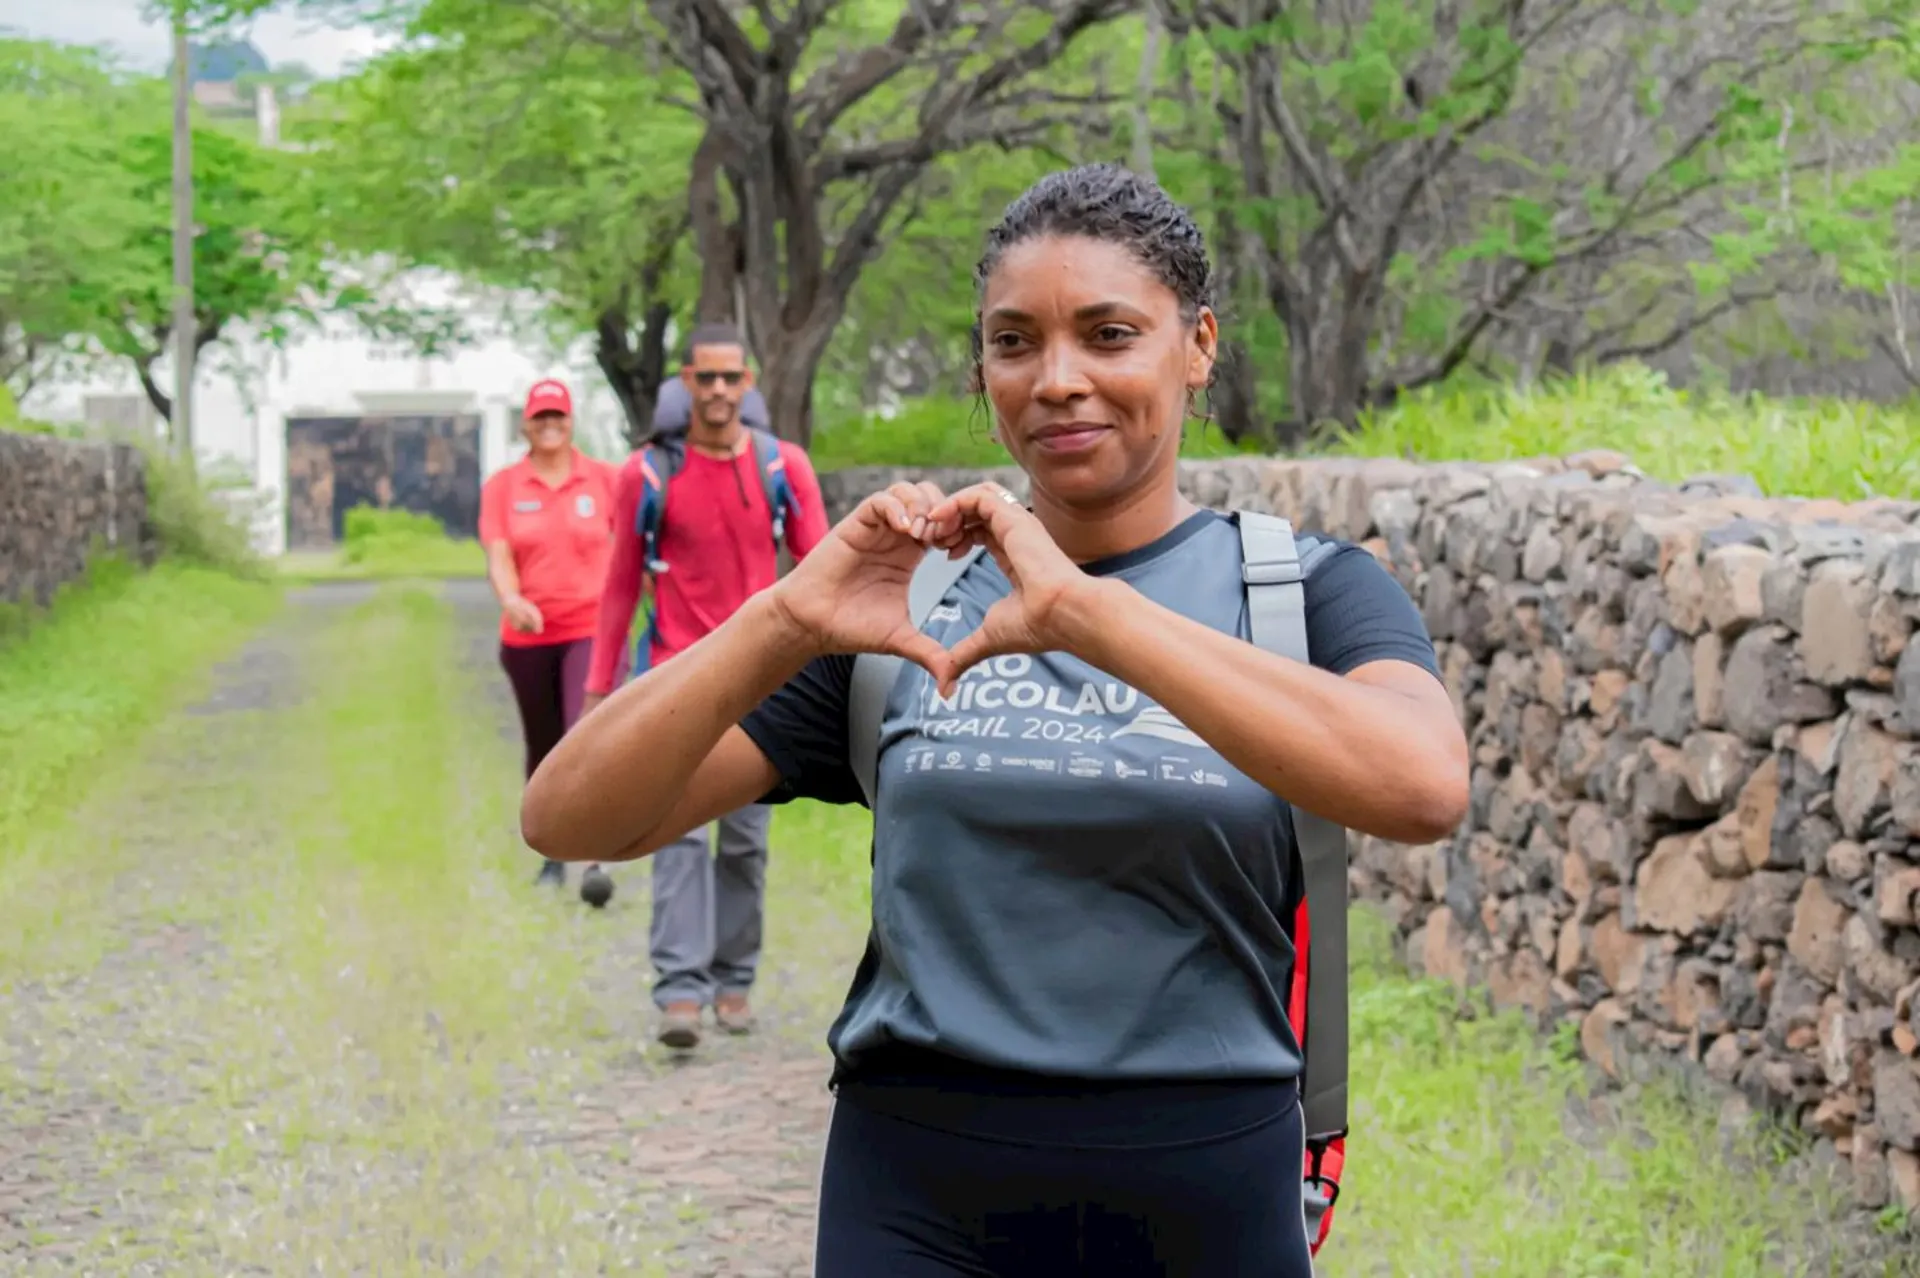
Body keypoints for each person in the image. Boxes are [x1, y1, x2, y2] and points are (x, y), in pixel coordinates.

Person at [523, 165, 1470, 1276]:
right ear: (984, 369)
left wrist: (1089, 617)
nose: (1059, 380)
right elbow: (572, 816)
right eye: (1015, 343)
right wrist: (783, 620)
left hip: (1210, 1188)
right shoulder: (911, 612)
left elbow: (1421, 786)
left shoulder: (1301, 592)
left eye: (1110, 334)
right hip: (918, 1193)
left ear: (1197, 344)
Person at [581, 323, 830, 1050]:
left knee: (747, 845)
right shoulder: (648, 474)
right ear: (684, 384)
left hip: (761, 684)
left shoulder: (785, 466)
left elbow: (819, 570)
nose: (719, 391)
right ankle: (680, 993)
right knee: (680, 837)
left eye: (731, 378)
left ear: (747, 384)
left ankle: (734, 983)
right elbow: (620, 586)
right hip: (674, 678)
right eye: (706, 378)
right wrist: (600, 690)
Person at [480, 378, 620, 899]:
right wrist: (511, 600)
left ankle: (592, 861)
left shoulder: (603, 480)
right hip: (528, 637)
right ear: (526, 425)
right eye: (540, 418)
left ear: (571, 422)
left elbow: (629, 545)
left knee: (582, 739)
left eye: (557, 416)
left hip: (590, 629)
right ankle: (551, 856)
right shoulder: (504, 487)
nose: (549, 426)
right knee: (542, 747)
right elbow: (499, 555)